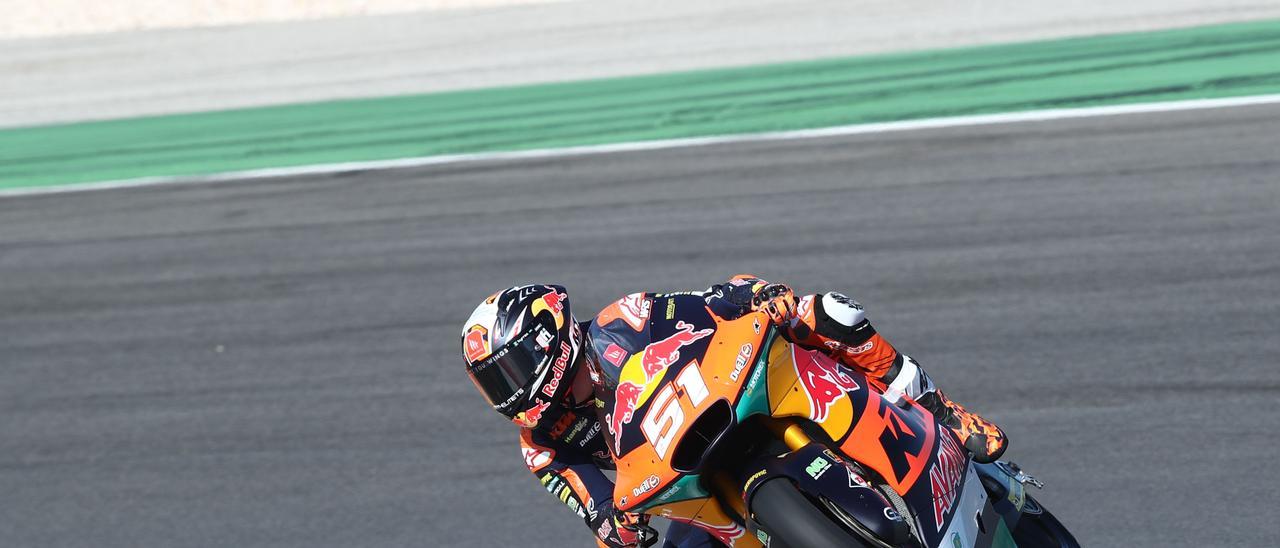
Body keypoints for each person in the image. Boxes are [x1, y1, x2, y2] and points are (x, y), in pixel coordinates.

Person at [460, 276, 1007, 548]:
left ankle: (939, 408)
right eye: (493, 383)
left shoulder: (625, 321)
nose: (506, 392)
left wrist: (759, 297)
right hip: (682, 487)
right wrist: (618, 527)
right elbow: (597, 509)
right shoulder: (542, 444)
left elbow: (713, 302)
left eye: (509, 370)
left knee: (829, 313)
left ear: (547, 338)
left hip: (740, 395)